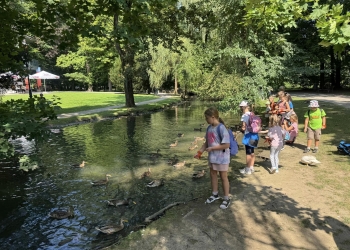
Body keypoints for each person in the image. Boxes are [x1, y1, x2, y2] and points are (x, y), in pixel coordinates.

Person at [194, 107, 231, 209]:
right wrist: (199, 152)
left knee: (223, 177)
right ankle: (215, 194)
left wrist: (213, 148)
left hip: (222, 158)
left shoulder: (221, 128)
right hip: (212, 157)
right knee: (213, 174)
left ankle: (226, 198)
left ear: (213, 117)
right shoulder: (209, 128)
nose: (206, 120)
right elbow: (206, 143)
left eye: (207, 118)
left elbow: (227, 145)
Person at [239, 101, 259, 175]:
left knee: (248, 153)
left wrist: (241, 130)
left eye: (241, 107)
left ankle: (247, 169)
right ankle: (251, 167)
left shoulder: (244, 116)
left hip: (248, 135)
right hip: (255, 135)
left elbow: (243, 127)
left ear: (243, 107)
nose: (240, 108)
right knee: (252, 152)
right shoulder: (252, 114)